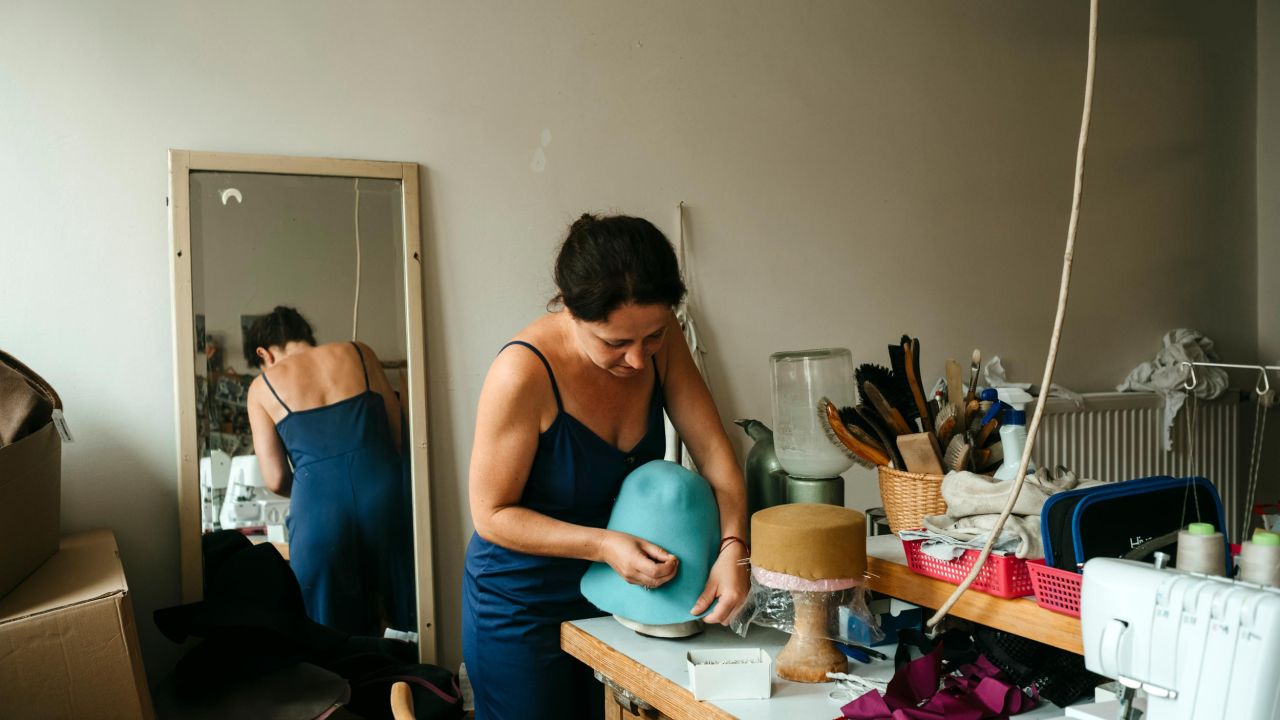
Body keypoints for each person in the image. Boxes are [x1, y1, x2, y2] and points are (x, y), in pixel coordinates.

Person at [463, 214, 750, 720]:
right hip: (521, 604)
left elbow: (714, 454)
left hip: (619, 593)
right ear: (569, 309)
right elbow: (491, 513)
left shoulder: (660, 344)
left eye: (653, 337)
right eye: (614, 343)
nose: (639, 360)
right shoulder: (522, 374)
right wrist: (602, 544)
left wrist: (734, 547)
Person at [244, 306, 414, 636]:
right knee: (408, 626)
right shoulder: (360, 353)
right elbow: (398, 437)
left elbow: (275, 478)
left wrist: (317, 486)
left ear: (264, 353)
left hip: (319, 514)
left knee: (331, 642)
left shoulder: (261, 387)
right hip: (385, 495)